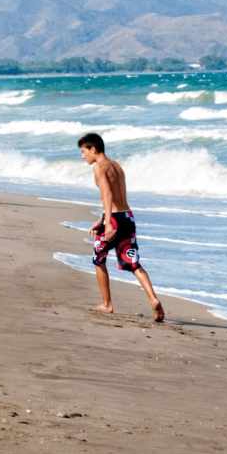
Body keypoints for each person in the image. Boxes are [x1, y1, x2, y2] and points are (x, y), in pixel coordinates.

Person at [78, 132, 164, 322]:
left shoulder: (99, 168)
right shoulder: (117, 166)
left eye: (84, 151)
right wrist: (102, 219)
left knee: (98, 259)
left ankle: (107, 304)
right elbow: (117, 197)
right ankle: (153, 299)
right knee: (133, 263)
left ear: (93, 149)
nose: (83, 156)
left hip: (114, 220)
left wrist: (107, 223)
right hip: (127, 217)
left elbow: (107, 196)